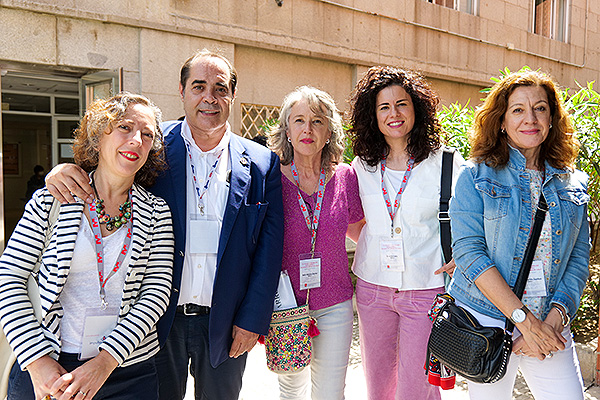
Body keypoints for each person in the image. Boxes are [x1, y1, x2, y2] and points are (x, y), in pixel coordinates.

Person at [45, 49, 284, 400]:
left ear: (233, 95)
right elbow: (103, 167)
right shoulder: (151, 145)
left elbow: (269, 248)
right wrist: (62, 170)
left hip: (226, 322)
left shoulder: (263, 162)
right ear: (182, 91)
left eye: (220, 88)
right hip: (155, 321)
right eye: (199, 86)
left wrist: (252, 319)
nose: (209, 98)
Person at [0, 93, 174, 400]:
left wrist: (105, 362)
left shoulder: (157, 212)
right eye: (124, 127)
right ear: (97, 136)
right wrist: (38, 362)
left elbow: (156, 294)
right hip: (49, 366)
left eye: (147, 134)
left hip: (127, 370)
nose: (136, 139)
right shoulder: (51, 200)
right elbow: (9, 278)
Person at [447, 70, 590, 399]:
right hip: (487, 322)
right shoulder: (474, 177)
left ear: (552, 118)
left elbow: (579, 260)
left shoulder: (574, 184)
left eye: (540, 108)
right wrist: (524, 321)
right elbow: (470, 254)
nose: (531, 118)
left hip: (549, 321)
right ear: (501, 120)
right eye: (518, 110)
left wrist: (552, 321)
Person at [348, 65, 463, 400]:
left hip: (426, 290)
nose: (393, 113)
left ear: (417, 109)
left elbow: (473, 220)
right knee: (379, 385)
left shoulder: (447, 164)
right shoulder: (362, 166)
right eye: (384, 107)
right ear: (373, 115)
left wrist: (462, 255)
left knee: (417, 389)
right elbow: (354, 221)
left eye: (402, 104)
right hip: (373, 289)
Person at [267, 86, 364, 399]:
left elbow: (361, 233)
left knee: (331, 394)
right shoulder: (270, 179)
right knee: (291, 392)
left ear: (329, 131)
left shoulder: (345, 177)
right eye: (299, 121)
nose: (307, 129)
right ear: (287, 130)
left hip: (335, 303)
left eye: (317, 121)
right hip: (286, 305)